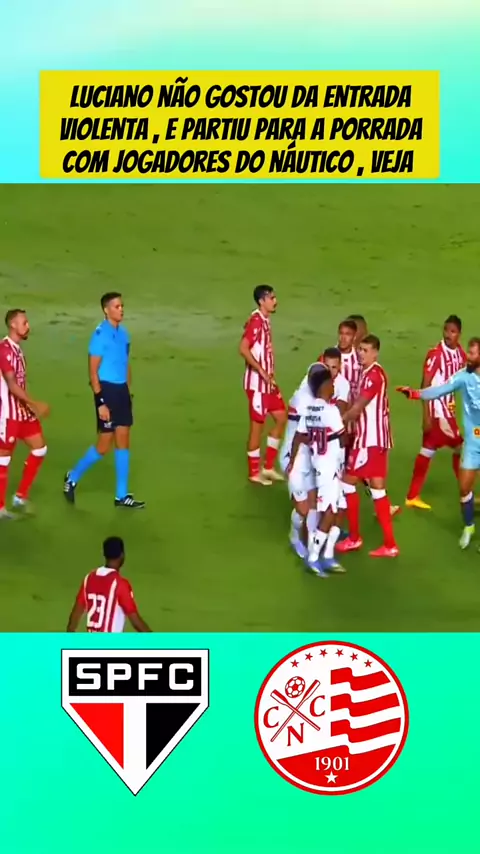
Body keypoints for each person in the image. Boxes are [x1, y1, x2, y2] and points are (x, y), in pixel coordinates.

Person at [398, 336, 480, 550]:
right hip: (473, 444)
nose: (468, 356)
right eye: (469, 352)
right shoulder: (463, 377)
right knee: (464, 488)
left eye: (472, 354)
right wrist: (415, 394)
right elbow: (439, 389)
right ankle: (469, 526)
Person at [64, 293, 144, 508]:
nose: (121, 309)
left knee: (124, 441)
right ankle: (72, 477)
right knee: (103, 446)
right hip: (106, 391)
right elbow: (93, 372)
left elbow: (125, 363)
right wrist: (100, 402)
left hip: (121, 392)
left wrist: (128, 391)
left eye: (122, 306)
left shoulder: (124, 334)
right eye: (117, 306)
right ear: (106, 310)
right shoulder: (99, 335)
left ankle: (121, 496)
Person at [337, 334, 399, 558]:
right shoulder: (371, 373)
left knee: (347, 483)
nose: (361, 354)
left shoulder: (373, 376)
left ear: (375, 353)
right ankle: (390, 545)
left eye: (366, 350)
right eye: (360, 350)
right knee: (378, 490)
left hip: (369, 442)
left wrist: (334, 423)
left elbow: (356, 409)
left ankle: (354, 538)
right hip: (377, 441)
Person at [287, 365, 347, 574]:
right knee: (330, 512)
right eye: (331, 383)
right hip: (329, 467)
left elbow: (299, 436)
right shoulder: (331, 411)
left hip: (320, 465)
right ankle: (313, 557)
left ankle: (328, 556)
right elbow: (343, 437)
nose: (334, 386)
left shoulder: (309, 409)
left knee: (340, 508)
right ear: (324, 385)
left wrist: (291, 460)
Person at [405, 315, 466, 510]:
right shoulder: (436, 354)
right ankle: (466, 493)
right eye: (446, 330)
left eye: (452, 331)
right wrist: (426, 416)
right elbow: (425, 383)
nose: (448, 334)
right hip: (438, 412)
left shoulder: (460, 354)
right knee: (462, 449)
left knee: (427, 450)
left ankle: (412, 496)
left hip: (448, 410)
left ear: (459, 334)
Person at [0, 309, 49, 518]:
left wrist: (28, 407)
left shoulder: (18, 350)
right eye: (24, 323)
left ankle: (20, 496)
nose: (28, 326)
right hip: (7, 415)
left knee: (40, 449)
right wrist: (34, 403)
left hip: (22, 412)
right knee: (3, 459)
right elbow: (11, 385)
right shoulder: (4, 350)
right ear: (13, 325)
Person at [239, 285, 287, 485]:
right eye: (271, 298)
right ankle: (254, 472)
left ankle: (268, 467)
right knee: (257, 428)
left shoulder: (264, 320)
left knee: (281, 417)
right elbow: (243, 348)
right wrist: (261, 371)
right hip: (257, 385)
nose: (275, 301)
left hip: (268, 384)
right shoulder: (257, 322)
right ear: (262, 301)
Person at [66, 536, 151, 632]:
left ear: (104, 554)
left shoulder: (89, 579)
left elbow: (75, 616)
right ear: (122, 555)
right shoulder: (120, 584)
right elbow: (136, 622)